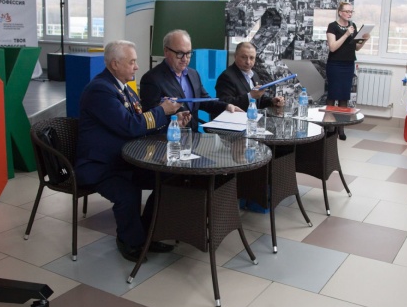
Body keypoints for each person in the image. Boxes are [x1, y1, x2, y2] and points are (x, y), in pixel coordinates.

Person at [75, 40, 191, 263]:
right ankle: (130, 241)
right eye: (132, 62)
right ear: (115, 64)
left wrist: (173, 120)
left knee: (166, 179)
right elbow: (130, 126)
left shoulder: (124, 88)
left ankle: (148, 233)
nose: (137, 67)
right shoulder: (100, 90)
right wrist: (162, 110)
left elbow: (141, 122)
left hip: (122, 160)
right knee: (128, 193)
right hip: (100, 165)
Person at [140, 29, 242, 131]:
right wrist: (172, 124)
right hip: (168, 137)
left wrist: (226, 107)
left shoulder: (193, 74)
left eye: (188, 53)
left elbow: (204, 101)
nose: (185, 59)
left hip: (194, 136)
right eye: (180, 53)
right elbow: (149, 121)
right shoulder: (151, 79)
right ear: (166, 51)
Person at [326, 1, 370, 140]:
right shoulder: (332, 26)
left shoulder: (353, 26)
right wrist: (346, 34)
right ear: (340, 12)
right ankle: (328, 127)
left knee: (344, 97)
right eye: (347, 11)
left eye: (351, 11)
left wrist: (364, 40)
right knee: (333, 96)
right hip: (335, 65)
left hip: (348, 64)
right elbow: (332, 47)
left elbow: (356, 47)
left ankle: (341, 128)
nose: (349, 14)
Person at [215, 42, 285, 111]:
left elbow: (258, 101)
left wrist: (272, 101)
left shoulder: (254, 74)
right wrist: (250, 96)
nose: (248, 62)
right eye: (244, 57)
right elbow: (225, 103)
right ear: (235, 56)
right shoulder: (226, 77)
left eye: (252, 58)